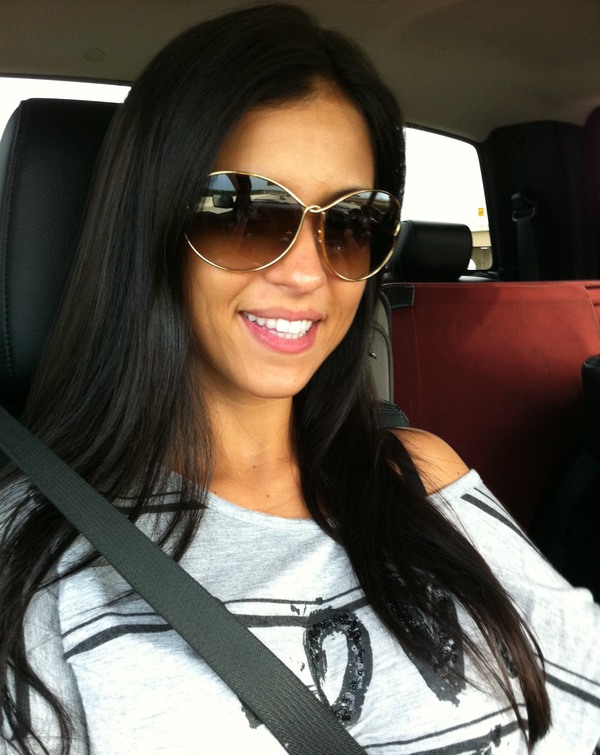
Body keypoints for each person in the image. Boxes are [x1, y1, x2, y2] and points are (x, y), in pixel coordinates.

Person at [0, 4, 598, 754]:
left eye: (352, 222)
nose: (308, 272)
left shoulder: (419, 472)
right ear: (150, 223)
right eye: (244, 211)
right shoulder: (32, 558)